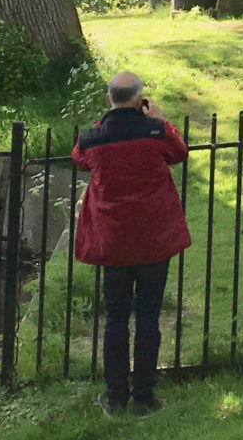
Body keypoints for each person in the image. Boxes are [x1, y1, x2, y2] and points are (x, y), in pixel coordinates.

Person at [71, 70, 191, 418]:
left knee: (116, 316)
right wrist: (159, 119)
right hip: (154, 237)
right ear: (141, 100)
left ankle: (114, 394)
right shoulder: (155, 131)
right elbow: (179, 152)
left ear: (109, 99)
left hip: (115, 239)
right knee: (149, 315)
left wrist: (103, 120)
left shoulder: (93, 138)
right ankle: (144, 396)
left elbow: (78, 159)